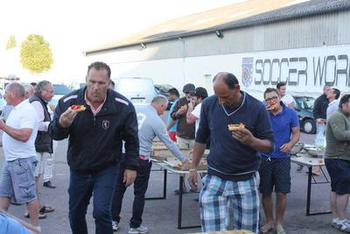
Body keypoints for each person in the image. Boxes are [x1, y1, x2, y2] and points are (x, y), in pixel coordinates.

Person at [49, 62, 139, 234]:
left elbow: (132, 139)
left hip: (107, 167)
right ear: (85, 80)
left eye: (101, 83)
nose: (95, 87)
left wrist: (131, 166)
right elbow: (55, 134)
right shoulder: (69, 102)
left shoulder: (123, 106)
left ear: (109, 83)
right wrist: (62, 124)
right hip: (79, 167)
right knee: (75, 213)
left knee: (101, 212)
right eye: (92, 82)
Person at [188, 72, 274, 233]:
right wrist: (193, 167)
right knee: (211, 231)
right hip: (215, 178)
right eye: (218, 96)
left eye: (225, 96)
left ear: (237, 88)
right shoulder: (209, 104)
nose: (221, 101)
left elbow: (270, 145)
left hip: (246, 178)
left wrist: (252, 141)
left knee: (247, 231)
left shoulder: (257, 108)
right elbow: (201, 139)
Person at [112, 95, 188, 233]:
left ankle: (113, 221)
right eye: (164, 109)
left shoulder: (135, 109)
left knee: (118, 189)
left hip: (124, 154)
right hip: (141, 159)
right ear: (162, 106)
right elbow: (169, 144)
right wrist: (184, 159)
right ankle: (134, 226)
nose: (163, 112)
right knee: (139, 193)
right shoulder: (156, 121)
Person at [259, 88, 300, 234]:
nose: (271, 101)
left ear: (279, 97)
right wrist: (263, 111)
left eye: (274, 97)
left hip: (282, 158)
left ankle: (279, 223)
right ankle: (269, 221)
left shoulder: (290, 113)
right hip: (265, 157)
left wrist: (290, 144)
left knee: (282, 192)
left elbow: (296, 133)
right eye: (268, 99)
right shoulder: (263, 113)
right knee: (266, 191)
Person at [0, 83, 41, 229]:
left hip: (21, 161)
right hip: (11, 160)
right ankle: (2, 224)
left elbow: (24, 135)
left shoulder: (27, 110)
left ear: (12, 93)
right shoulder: (15, 110)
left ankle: (35, 228)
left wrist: (2, 126)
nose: (4, 95)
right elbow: (11, 134)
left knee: (28, 196)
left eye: (5, 92)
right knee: (3, 194)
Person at [28, 81, 56, 220]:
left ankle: (37, 206)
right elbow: (37, 125)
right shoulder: (36, 103)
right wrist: (53, 124)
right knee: (33, 179)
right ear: (42, 91)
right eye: (50, 91)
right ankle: (31, 210)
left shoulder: (40, 102)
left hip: (40, 145)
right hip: (36, 146)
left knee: (36, 178)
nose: (53, 94)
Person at [324, 94, 350, 232]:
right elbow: (340, 135)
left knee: (336, 188)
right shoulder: (337, 117)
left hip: (340, 158)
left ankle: (336, 219)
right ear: (344, 104)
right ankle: (342, 220)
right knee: (343, 190)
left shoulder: (346, 117)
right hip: (336, 158)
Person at [170, 83, 196, 149]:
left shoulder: (197, 101)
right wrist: (178, 113)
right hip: (181, 136)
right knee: (182, 156)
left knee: (194, 157)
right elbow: (173, 116)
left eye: (190, 93)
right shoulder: (180, 101)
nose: (188, 94)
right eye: (186, 92)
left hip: (195, 137)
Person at [313, 85, 331, 175]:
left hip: (330, 124)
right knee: (320, 144)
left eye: (330, 90)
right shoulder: (320, 100)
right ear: (323, 90)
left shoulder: (331, 100)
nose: (329, 91)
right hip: (322, 124)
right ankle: (317, 168)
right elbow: (315, 112)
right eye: (327, 89)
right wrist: (318, 119)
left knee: (328, 144)